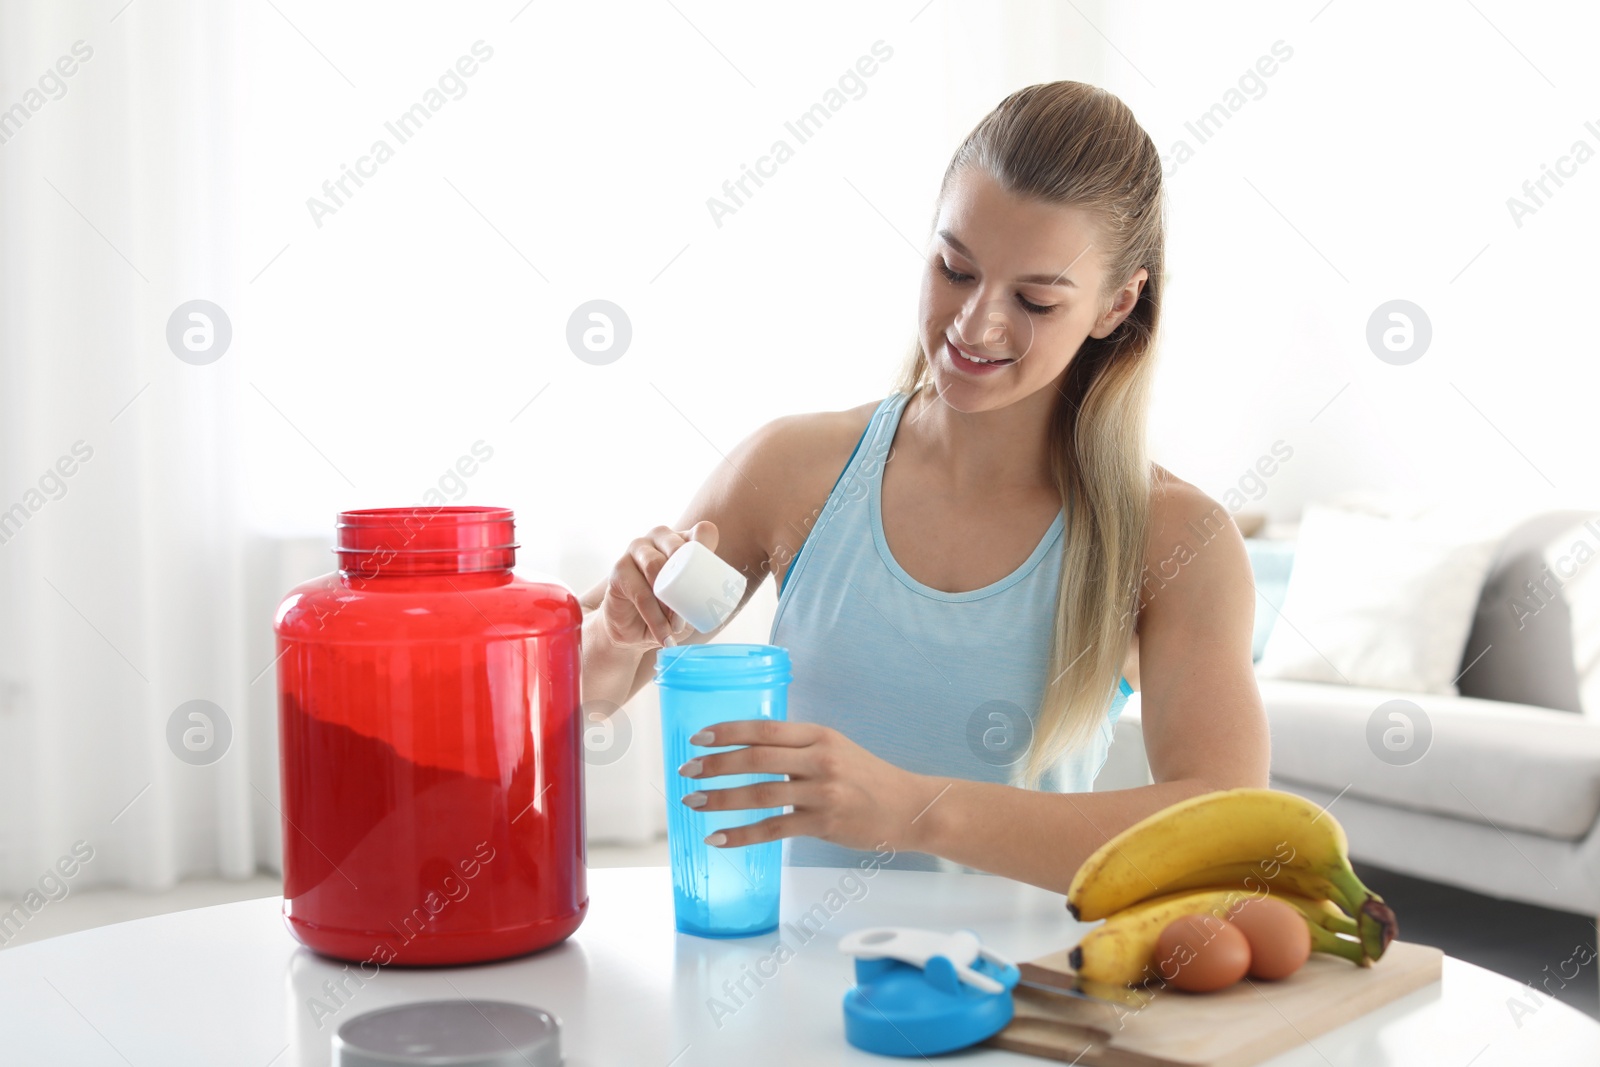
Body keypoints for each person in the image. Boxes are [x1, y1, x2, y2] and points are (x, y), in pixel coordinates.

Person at [578, 81, 1269, 895]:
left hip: (1019, 998)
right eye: (954, 268)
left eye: (1036, 298)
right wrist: (621, 636)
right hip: (787, 990)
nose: (975, 325)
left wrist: (915, 808)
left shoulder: (1170, 537)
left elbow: (1225, 827)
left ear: (1116, 305)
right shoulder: (796, 466)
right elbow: (590, 689)